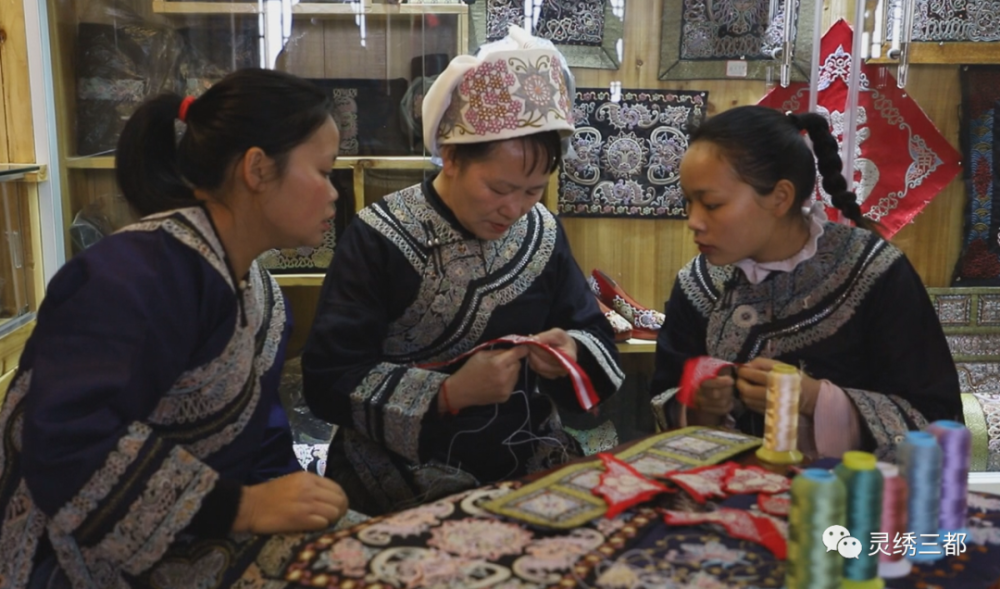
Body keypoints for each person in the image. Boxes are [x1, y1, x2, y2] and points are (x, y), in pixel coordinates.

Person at [0, 68, 349, 589]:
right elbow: (66, 440)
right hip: (72, 555)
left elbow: (262, 436)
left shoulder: (258, 291)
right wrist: (245, 507)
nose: (335, 193)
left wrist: (294, 496)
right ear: (256, 168)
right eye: (323, 171)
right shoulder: (136, 275)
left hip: (193, 533)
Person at [302, 26, 624, 515]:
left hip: (524, 456)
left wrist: (571, 349)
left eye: (533, 190)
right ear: (450, 156)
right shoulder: (379, 236)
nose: (515, 208)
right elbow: (328, 379)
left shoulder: (542, 232)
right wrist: (449, 393)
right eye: (498, 188)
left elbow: (590, 328)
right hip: (399, 470)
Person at [649, 105, 961, 461]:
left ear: (780, 197)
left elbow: (938, 420)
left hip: (847, 506)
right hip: (729, 503)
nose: (694, 221)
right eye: (688, 203)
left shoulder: (874, 272)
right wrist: (700, 408)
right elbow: (664, 398)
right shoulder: (699, 283)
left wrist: (817, 400)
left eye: (712, 204)